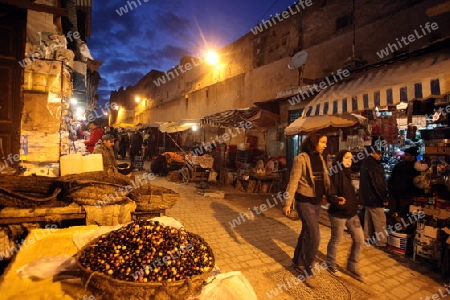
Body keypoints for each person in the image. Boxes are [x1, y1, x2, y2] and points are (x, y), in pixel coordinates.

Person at [283, 132, 330, 283]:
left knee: (306, 233)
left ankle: (298, 261)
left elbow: (325, 179)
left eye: (325, 142)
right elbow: (293, 181)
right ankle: (308, 269)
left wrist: (332, 194)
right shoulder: (300, 159)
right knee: (315, 236)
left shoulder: (320, 158)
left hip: (316, 202)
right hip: (304, 202)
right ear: (314, 142)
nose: (325, 145)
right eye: (322, 142)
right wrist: (287, 203)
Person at [326, 150, 364, 282]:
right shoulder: (334, 174)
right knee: (336, 240)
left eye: (351, 158)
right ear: (340, 159)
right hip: (338, 214)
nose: (349, 160)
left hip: (352, 213)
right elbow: (330, 194)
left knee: (359, 239)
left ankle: (352, 265)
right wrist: (337, 201)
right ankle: (330, 264)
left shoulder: (348, 174)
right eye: (346, 158)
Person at [359, 147, 389, 247]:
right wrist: (384, 198)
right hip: (374, 197)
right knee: (380, 219)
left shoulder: (365, 162)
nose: (380, 156)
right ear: (374, 153)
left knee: (369, 217)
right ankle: (381, 242)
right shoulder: (374, 165)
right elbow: (378, 183)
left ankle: (367, 237)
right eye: (379, 154)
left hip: (366, 197)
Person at [388, 146, 421, 217]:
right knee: (395, 214)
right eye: (404, 154)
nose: (404, 156)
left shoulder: (417, 168)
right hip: (396, 195)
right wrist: (391, 189)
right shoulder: (399, 165)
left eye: (407, 155)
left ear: (412, 156)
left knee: (406, 215)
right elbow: (392, 178)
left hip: (408, 197)